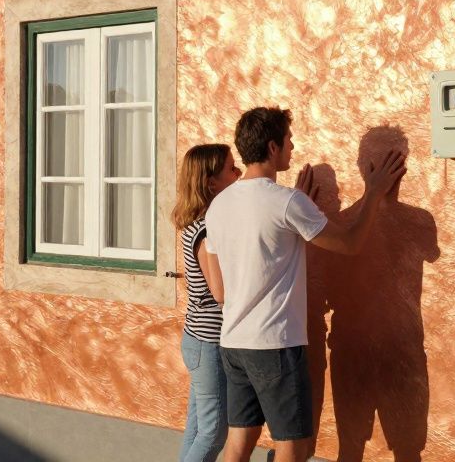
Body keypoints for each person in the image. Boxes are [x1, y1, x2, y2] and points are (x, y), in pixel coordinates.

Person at [205, 107, 406, 462]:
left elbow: (231, 276)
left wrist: (295, 206)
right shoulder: (286, 202)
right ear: (272, 147)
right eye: (288, 140)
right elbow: (349, 243)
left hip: (234, 343)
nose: (293, 147)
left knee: (238, 442)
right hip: (275, 345)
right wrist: (373, 194)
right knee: (293, 447)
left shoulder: (220, 205)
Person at [172, 143, 242, 462]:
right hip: (208, 342)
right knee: (213, 433)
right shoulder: (205, 227)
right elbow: (221, 292)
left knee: (198, 427)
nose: (239, 171)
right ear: (212, 182)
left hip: (199, 340)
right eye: (231, 168)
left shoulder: (198, 221)